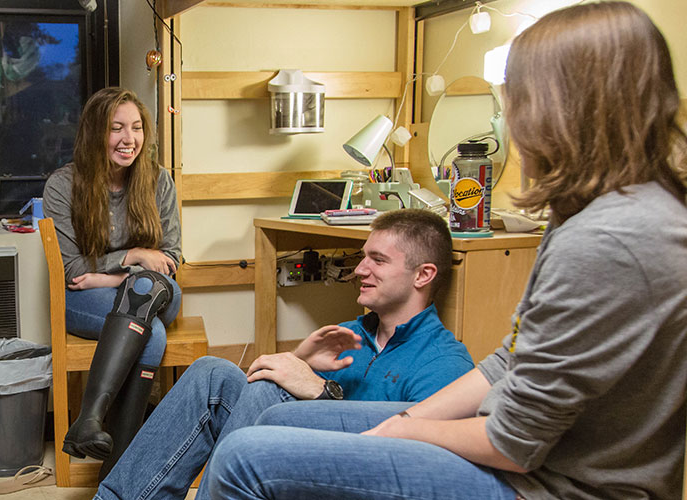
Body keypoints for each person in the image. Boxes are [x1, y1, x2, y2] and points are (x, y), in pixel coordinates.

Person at [203, 3, 687, 499]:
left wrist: (402, 431)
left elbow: (513, 444)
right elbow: (509, 362)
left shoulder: (612, 241)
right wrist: (409, 418)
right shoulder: (587, 214)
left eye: (517, 100)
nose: (513, 126)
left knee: (247, 459)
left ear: (563, 109)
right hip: (520, 449)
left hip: (551, 486)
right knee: (280, 415)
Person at [94, 208, 475, 499]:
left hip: (342, 477)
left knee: (267, 390)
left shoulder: (444, 363)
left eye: (377, 260)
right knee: (213, 374)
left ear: (423, 275)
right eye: (363, 257)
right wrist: (301, 361)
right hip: (288, 460)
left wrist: (323, 392)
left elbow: (410, 466)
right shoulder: (351, 335)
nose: (359, 269)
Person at [43, 87, 183, 478]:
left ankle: (88, 419)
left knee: (145, 291)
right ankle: (118, 477)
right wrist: (134, 256)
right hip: (86, 300)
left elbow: (171, 259)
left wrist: (110, 275)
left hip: (154, 291)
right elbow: (72, 270)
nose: (129, 139)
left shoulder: (159, 180)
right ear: (94, 133)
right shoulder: (62, 185)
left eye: (136, 128)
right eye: (116, 128)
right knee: (150, 334)